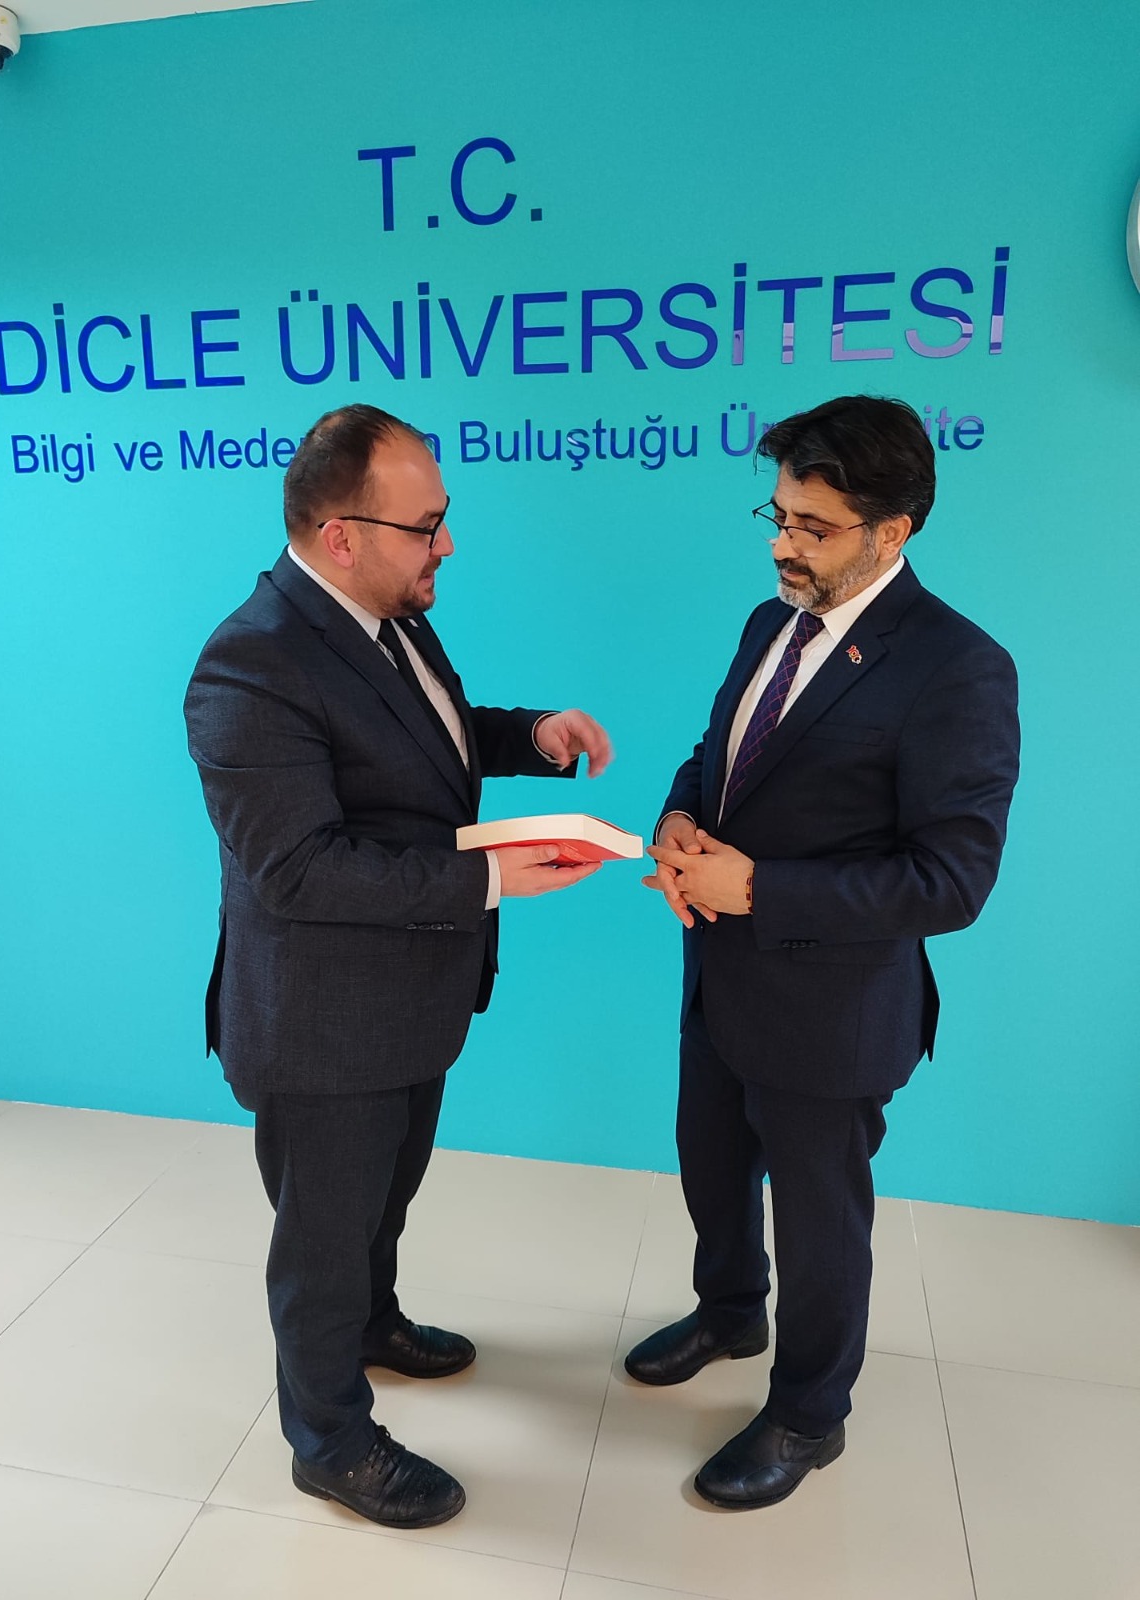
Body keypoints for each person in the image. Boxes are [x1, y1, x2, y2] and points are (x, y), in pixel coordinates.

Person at [184, 404, 612, 1530]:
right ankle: (329, 1440)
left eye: (443, 519)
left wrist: (533, 736)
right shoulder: (249, 666)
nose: (447, 545)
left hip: (412, 1000)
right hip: (323, 1024)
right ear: (340, 536)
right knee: (322, 1243)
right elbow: (300, 870)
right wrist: (493, 876)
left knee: (386, 1194)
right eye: (426, 526)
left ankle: (375, 1324)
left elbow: (428, 732)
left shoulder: (390, 617)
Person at [632, 394, 1019, 1511]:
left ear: (893, 530)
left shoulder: (958, 667)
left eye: (813, 526)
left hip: (833, 1007)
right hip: (720, 977)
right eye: (780, 514)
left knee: (818, 1221)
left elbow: (951, 881)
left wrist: (756, 887)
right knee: (710, 1165)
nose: (782, 544)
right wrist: (678, 820)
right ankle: (729, 1312)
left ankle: (809, 1413)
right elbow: (719, 755)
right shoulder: (771, 623)